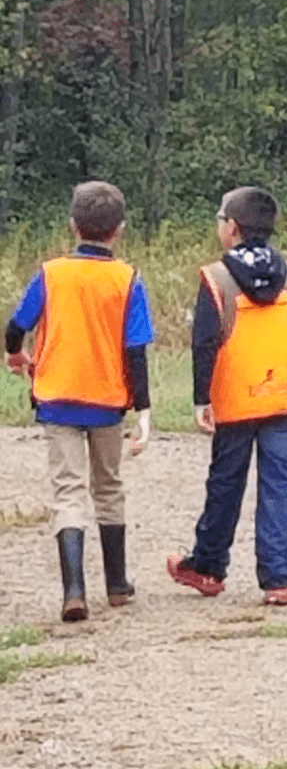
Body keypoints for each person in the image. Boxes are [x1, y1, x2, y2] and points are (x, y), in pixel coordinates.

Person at [4, 180, 155, 621]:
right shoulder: (127, 280)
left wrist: (15, 354)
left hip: (57, 398)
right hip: (107, 402)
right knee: (108, 487)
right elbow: (136, 352)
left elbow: (16, 326)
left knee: (68, 490)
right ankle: (117, 583)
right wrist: (143, 409)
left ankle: (74, 591)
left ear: (73, 225)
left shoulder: (51, 274)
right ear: (119, 231)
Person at [167, 186, 287, 605]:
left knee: (226, 481)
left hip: (234, 398)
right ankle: (277, 580)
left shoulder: (217, 277)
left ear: (231, 228)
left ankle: (208, 566)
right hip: (283, 393)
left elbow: (205, 341)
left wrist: (202, 399)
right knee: (278, 482)